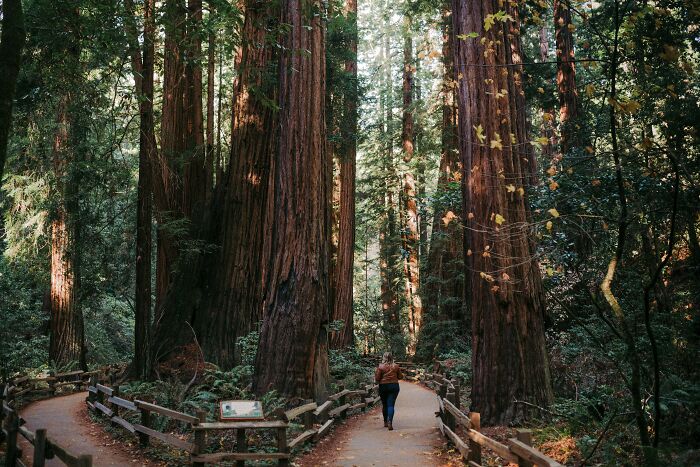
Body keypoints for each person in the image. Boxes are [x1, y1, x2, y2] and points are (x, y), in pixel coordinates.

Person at [375, 352, 403, 430]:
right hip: (394, 386)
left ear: (384, 357)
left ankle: (385, 422)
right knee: (391, 405)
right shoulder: (396, 366)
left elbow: (377, 379)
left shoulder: (380, 367)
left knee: (384, 404)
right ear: (392, 358)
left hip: (383, 386)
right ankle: (390, 421)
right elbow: (400, 377)